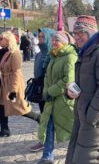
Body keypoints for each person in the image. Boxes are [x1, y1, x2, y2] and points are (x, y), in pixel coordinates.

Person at [65, 15, 99, 164]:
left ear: (90, 32)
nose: (76, 37)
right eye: (75, 34)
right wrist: (70, 92)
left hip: (97, 119)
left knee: (93, 155)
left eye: (80, 33)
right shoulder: (86, 52)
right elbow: (84, 84)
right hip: (86, 115)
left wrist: (91, 116)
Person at [37, 31, 77, 164]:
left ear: (65, 42)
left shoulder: (70, 56)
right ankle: (47, 156)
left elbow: (69, 80)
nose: (54, 42)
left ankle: (77, 153)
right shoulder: (53, 56)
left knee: (69, 127)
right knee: (48, 126)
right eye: (53, 40)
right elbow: (47, 77)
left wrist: (51, 91)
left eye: (57, 40)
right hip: (51, 99)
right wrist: (45, 91)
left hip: (64, 100)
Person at [0, 31, 40, 139]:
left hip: (13, 85)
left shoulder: (15, 53)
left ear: (8, 40)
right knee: (0, 107)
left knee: (20, 108)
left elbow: (16, 73)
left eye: (1, 39)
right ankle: (4, 130)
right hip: (5, 83)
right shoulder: (3, 52)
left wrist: (13, 90)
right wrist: (0, 80)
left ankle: (39, 118)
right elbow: (5, 70)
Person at [30, 28, 55, 152]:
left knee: (50, 118)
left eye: (42, 37)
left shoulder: (53, 54)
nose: (39, 39)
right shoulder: (39, 54)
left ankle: (46, 142)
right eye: (39, 37)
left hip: (50, 92)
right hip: (40, 91)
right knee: (45, 117)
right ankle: (44, 140)